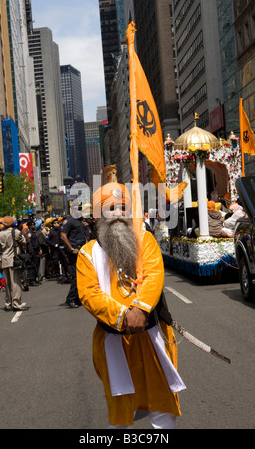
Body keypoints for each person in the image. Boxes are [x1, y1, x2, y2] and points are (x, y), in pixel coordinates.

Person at [76, 183, 186, 429]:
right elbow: (89, 294)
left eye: (123, 207)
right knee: (120, 411)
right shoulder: (87, 253)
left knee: (162, 405)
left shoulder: (145, 240)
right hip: (114, 340)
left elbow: (154, 276)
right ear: (98, 215)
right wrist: (124, 316)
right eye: (111, 208)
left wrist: (140, 309)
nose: (117, 213)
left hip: (152, 336)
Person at [0, 216, 28, 311]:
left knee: (7, 284)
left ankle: (8, 303)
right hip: (14, 260)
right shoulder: (16, 232)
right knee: (16, 283)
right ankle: (16, 303)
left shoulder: (0, 234)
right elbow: (24, 241)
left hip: (5, 260)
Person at [60, 210, 87, 308]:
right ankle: (70, 299)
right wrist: (71, 249)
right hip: (74, 251)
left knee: (83, 276)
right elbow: (63, 236)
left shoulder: (80, 221)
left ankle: (77, 298)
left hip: (82, 250)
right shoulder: (69, 221)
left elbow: (84, 236)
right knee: (76, 276)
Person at [26, 221, 42, 286]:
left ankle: (35, 279)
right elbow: (29, 244)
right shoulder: (29, 233)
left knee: (36, 266)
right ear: (30, 226)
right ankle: (32, 280)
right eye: (33, 225)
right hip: (33, 251)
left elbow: (37, 242)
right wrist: (31, 252)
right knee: (32, 266)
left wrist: (40, 249)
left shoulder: (34, 233)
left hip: (36, 251)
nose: (34, 226)